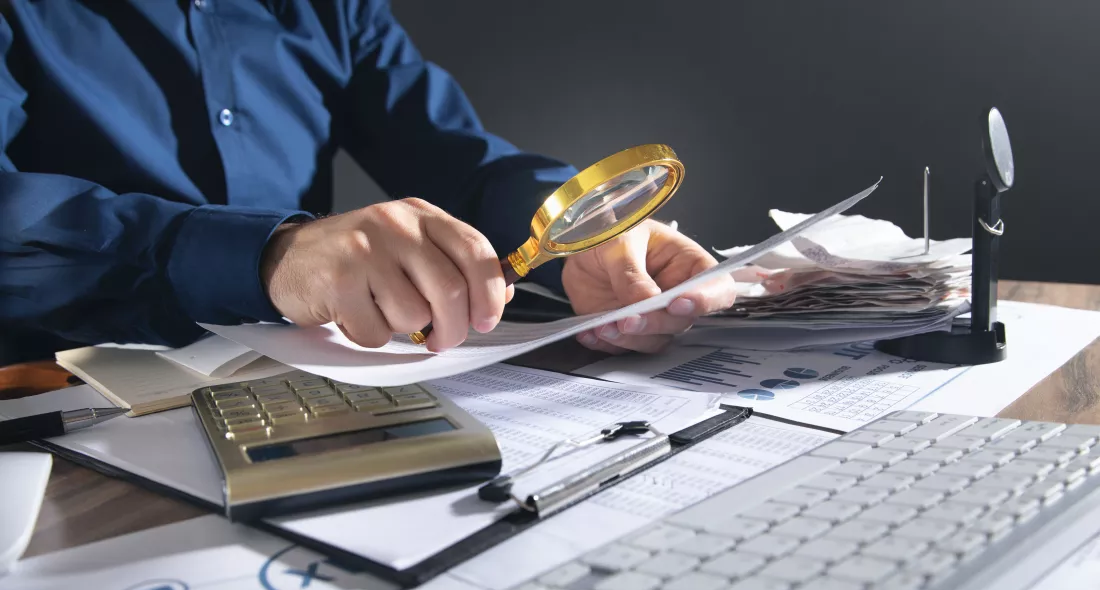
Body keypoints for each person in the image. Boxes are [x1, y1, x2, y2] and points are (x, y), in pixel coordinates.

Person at [0, 0, 735, 365]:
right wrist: (271, 256)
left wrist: (583, 229)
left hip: (303, 393)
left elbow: (460, 162)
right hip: (53, 405)